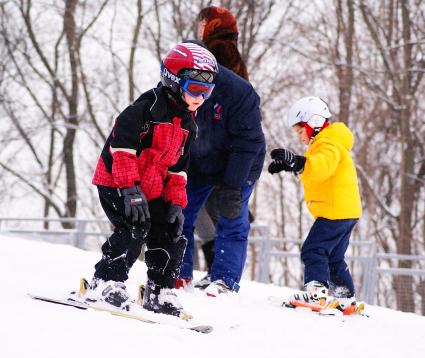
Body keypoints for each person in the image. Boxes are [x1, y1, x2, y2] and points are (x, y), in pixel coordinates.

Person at [83, 42, 218, 318]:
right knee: (136, 227)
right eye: (195, 88)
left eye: (208, 90)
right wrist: (130, 189)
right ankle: (106, 282)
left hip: (151, 189)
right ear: (173, 80)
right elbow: (121, 150)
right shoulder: (145, 110)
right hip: (117, 183)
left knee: (170, 231)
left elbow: (178, 170)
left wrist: (176, 204)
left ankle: (160, 291)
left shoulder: (188, 124)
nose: (201, 97)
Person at [177, 7, 266, 297]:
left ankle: (225, 279)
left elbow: (247, 141)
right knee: (181, 211)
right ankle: (179, 274)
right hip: (205, 155)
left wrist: (233, 185)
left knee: (232, 215)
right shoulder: (188, 71)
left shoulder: (233, 80)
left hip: (239, 156)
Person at [268, 96, 363, 315]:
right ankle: (344, 298)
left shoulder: (328, 143)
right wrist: (293, 165)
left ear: (316, 123)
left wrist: (297, 162)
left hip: (334, 210)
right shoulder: (330, 142)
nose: (300, 137)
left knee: (313, 249)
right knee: (333, 257)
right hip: (345, 211)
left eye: (301, 131)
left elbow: (320, 167)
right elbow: (315, 168)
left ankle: (316, 292)